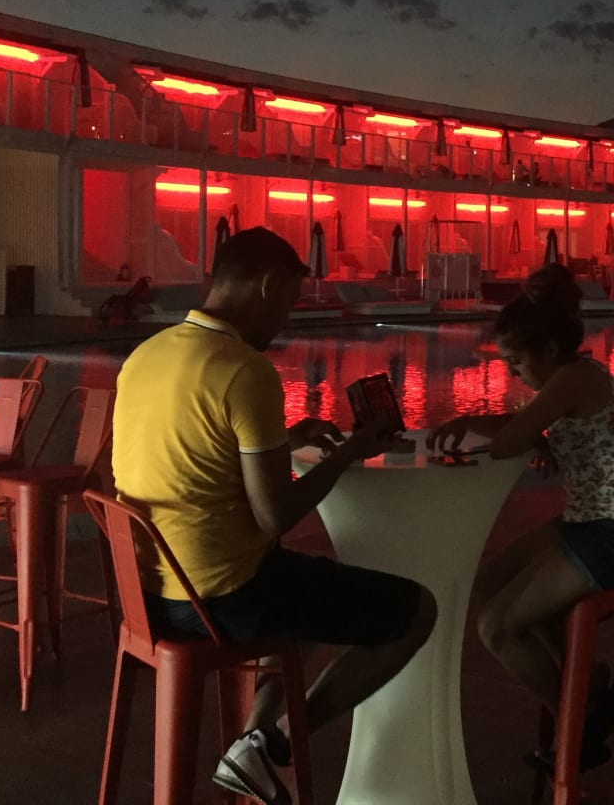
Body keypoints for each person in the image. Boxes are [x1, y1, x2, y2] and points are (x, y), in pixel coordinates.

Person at [112, 227, 437, 805]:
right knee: (415, 611)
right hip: (220, 596)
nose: (286, 319)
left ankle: (252, 745)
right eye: (288, 301)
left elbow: (198, 449)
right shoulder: (243, 370)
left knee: (305, 588)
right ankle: (276, 745)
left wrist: (284, 440)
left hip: (150, 589)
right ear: (265, 286)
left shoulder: (146, 355)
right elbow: (274, 516)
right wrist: (347, 453)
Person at [430, 269, 614, 773]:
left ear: (550, 349)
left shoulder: (572, 381)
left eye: (516, 362)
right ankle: (586, 684)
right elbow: (523, 429)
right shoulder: (574, 377)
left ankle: (574, 722)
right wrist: (474, 422)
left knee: (496, 628)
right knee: (488, 585)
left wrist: (520, 433)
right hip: (593, 522)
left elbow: (510, 441)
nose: (513, 373)